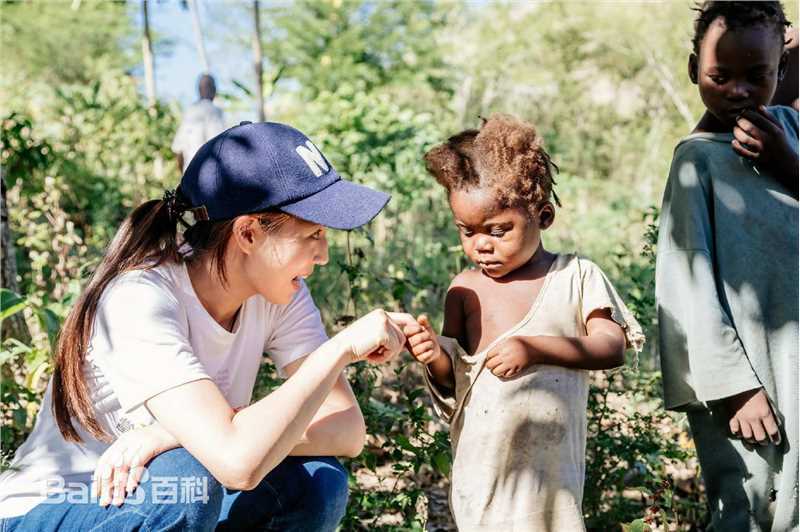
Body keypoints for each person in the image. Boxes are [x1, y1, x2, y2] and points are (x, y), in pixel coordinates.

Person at [0, 121, 415, 531]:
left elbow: (347, 429)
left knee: (315, 483)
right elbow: (236, 463)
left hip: (158, 497)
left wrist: (178, 434)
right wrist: (338, 349)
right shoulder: (139, 298)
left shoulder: (279, 292)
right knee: (188, 480)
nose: (323, 255)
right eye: (313, 234)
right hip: (55, 508)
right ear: (248, 233)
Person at [401, 114, 644, 531]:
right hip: (483, 478)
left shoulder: (575, 277)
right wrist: (432, 353)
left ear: (543, 216)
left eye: (498, 230)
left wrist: (534, 348)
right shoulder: (464, 291)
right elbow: (456, 382)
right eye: (467, 231)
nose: (480, 245)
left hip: (552, 482)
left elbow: (611, 346)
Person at [656, 2, 798, 530]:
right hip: (749, 384)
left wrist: (785, 161)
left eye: (757, 76)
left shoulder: (789, 132)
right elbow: (686, 284)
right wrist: (735, 386)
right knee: (750, 507)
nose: (738, 90)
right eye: (720, 76)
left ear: (781, 71)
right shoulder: (696, 162)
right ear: (694, 70)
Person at [171, 73, 227, 173]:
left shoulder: (190, 111)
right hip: (210, 173)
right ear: (214, 90)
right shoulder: (215, 111)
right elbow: (222, 146)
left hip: (191, 174)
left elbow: (178, 150)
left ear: (199, 90)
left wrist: (183, 176)